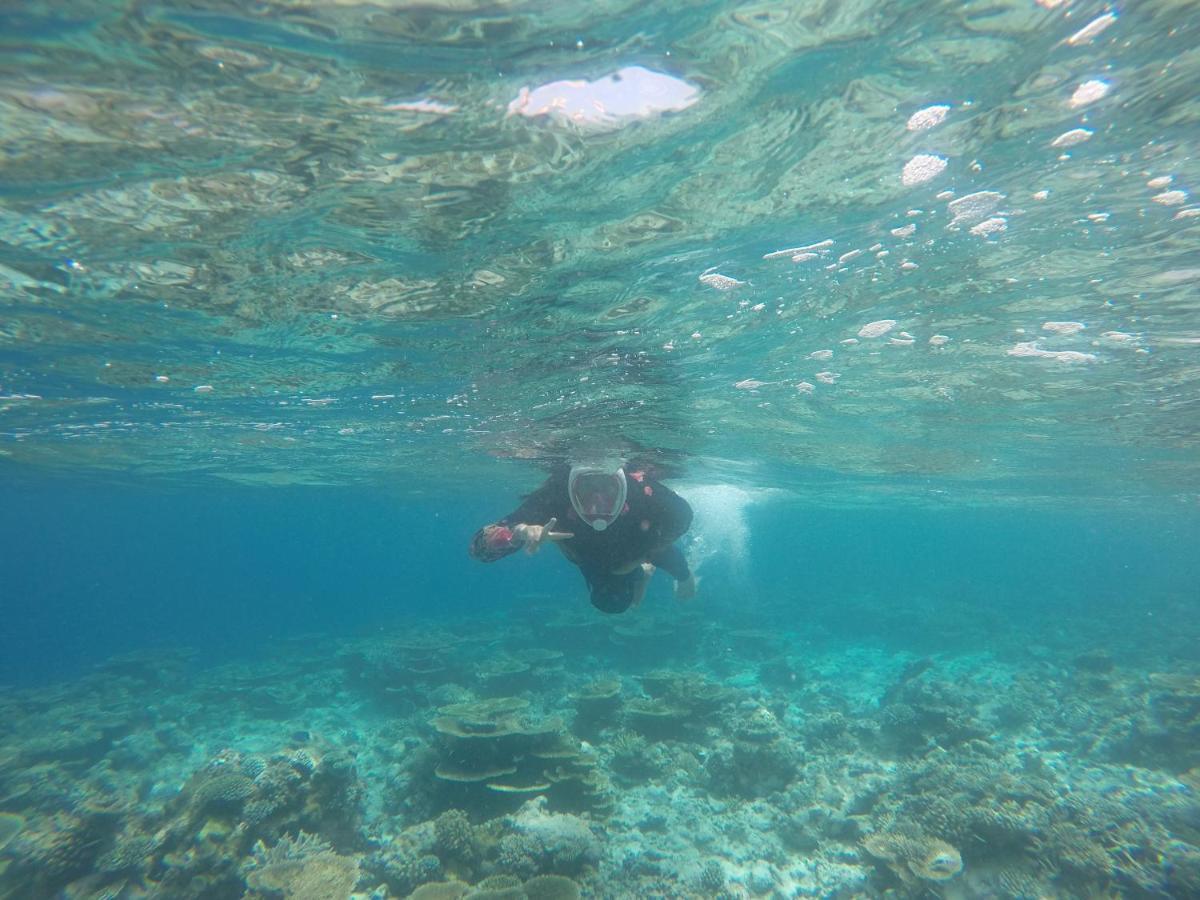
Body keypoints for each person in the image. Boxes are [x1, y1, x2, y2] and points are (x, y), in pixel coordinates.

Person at [470, 461, 697, 613]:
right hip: (625, 557)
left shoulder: (557, 497)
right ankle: (639, 576)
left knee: (625, 582)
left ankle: (639, 577)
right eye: (587, 488)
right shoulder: (642, 504)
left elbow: (479, 550)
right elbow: (678, 527)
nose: (597, 501)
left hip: (614, 560)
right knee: (629, 578)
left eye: (606, 487)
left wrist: (518, 532)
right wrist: (683, 576)